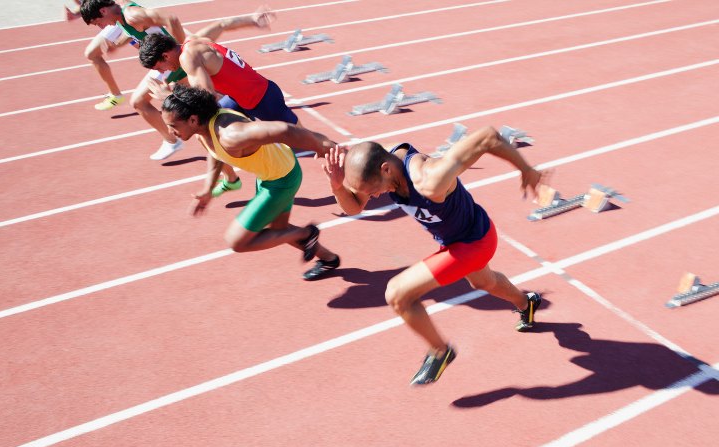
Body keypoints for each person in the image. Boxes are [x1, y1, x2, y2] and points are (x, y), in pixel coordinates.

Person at [321, 130, 545, 385]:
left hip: (475, 243)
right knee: (485, 283)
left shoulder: (430, 178)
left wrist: (526, 169)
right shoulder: (378, 167)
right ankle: (526, 302)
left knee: (397, 294)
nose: (372, 197)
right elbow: (353, 207)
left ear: (386, 170)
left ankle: (441, 351)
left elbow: (488, 137)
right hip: (456, 241)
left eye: (372, 191)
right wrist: (337, 186)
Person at [161, 85, 341, 280]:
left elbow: (284, 130)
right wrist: (208, 189)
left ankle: (306, 233)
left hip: (281, 180)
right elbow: (215, 154)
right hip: (272, 173)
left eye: (173, 126)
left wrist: (326, 147)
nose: (171, 132)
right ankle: (329, 259)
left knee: (237, 241)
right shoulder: (203, 130)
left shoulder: (231, 135)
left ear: (193, 119)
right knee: (279, 231)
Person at [80, 0, 273, 164]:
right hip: (165, 58)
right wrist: (122, 42)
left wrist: (182, 50)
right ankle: (228, 168)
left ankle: (175, 141)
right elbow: (140, 31)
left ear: (103, 11)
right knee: (204, 108)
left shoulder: (131, 15)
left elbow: (171, 19)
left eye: (98, 23)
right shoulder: (122, 16)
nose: (101, 27)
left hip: (168, 60)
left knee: (145, 103)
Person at [138, 21, 298, 179]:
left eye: (159, 67)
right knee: (203, 130)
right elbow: (223, 24)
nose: (163, 71)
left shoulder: (187, 59)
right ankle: (230, 178)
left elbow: (206, 98)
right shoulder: (193, 40)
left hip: (262, 99)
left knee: (300, 138)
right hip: (239, 98)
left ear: (165, 55)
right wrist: (253, 20)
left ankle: (322, 150)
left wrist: (167, 97)